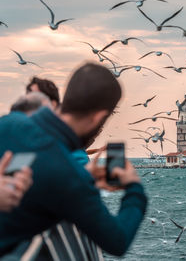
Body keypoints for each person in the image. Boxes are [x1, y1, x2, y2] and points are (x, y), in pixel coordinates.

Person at [0, 63, 147, 257]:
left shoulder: (8, 123)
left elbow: (41, 170)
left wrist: (84, 176)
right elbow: (117, 241)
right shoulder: (71, 178)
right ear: (99, 118)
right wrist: (134, 188)